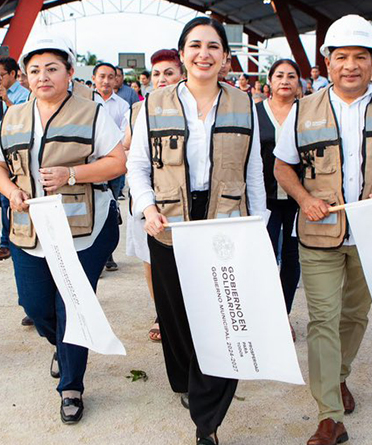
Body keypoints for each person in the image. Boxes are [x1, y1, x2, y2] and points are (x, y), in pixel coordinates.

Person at [272, 15, 372, 444]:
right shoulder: (305, 110)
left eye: (360, 56)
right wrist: (305, 199)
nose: (350, 65)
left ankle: (338, 376)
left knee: (355, 315)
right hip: (320, 232)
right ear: (326, 62)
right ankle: (329, 415)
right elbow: (282, 165)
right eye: (341, 56)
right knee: (323, 318)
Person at [126, 17, 266, 445]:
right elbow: (137, 166)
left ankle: (207, 421)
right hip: (169, 221)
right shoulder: (153, 104)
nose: (204, 53)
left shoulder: (244, 105)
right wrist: (146, 209)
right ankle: (188, 379)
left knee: (222, 315)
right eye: (195, 45)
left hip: (225, 220)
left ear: (225, 56)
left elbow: (254, 169)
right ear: (183, 53)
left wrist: (257, 226)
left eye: (213, 46)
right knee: (177, 315)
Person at [0, 33, 126, 423]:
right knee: (35, 306)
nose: (42, 76)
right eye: (34, 70)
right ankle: (60, 344)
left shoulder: (91, 113)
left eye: (52, 68)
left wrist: (72, 173)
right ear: (25, 76)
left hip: (83, 228)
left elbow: (117, 163)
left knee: (73, 306)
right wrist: (10, 190)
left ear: (69, 73)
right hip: (28, 228)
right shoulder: (12, 116)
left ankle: (71, 385)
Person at [122, 48, 183, 343]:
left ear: (182, 74)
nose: (162, 79)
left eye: (169, 72)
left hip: (180, 198)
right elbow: (127, 148)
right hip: (147, 198)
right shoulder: (138, 109)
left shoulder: (191, 108)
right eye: (156, 74)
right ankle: (161, 312)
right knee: (150, 259)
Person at [259, 59, 303, 341]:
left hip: (299, 199)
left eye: (291, 76)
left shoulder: (308, 113)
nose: (285, 80)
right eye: (279, 75)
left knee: (291, 258)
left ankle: (282, 315)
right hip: (264, 198)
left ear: (299, 82)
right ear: (270, 82)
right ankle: (261, 314)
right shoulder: (255, 112)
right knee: (262, 257)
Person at [0, 56, 29, 262]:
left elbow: (22, 119)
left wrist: (7, 101)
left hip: (14, 155)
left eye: (1, 74)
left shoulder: (24, 95)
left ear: (13, 74)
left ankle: (6, 243)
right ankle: (10, 230)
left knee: (5, 197)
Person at [92, 62, 130, 272]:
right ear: (94, 78)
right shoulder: (85, 102)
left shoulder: (122, 105)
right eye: (102, 76)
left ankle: (108, 254)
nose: (106, 81)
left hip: (112, 167)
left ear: (116, 80)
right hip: (89, 166)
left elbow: (124, 138)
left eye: (110, 77)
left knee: (110, 210)